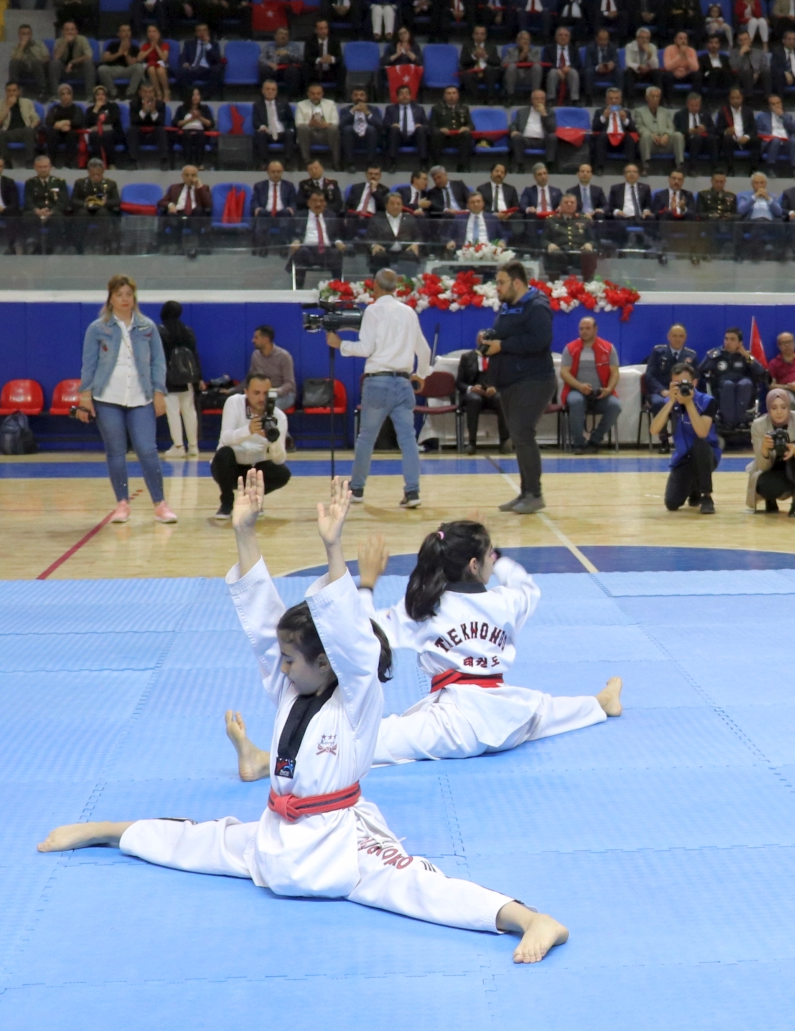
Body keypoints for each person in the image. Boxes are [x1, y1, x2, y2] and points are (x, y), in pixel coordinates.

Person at [38, 477, 570, 965]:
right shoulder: (294, 685)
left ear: (326, 661)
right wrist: (245, 533)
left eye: (292, 659)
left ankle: (531, 918)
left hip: (342, 845)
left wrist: (334, 551)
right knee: (200, 841)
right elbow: (263, 617)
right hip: (279, 836)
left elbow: (351, 638)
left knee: (422, 891)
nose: (281, 667)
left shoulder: (356, 698)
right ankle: (108, 830)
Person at [224, 519, 617, 769]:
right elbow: (528, 587)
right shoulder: (508, 601)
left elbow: (364, 635)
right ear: (478, 565)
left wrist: (367, 583)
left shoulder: (425, 608)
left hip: (453, 725)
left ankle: (269, 759)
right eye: (486, 558)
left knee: (370, 740)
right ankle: (601, 703)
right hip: (508, 715)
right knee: (548, 711)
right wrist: (500, 559)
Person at [75, 275, 175, 525]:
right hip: (107, 398)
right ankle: (122, 503)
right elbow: (89, 365)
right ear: (110, 298)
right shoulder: (98, 329)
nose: (125, 299)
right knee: (116, 451)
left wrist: (159, 393)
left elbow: (158, 363)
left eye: (129, 294)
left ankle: (160, 504)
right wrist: (85, 397)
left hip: (141, 398)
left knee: (147, 449)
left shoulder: (147, 327)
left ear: (135, 297)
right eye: (119, 294)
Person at [326, 269, 428, 509]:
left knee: (366, 438)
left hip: (378, 381)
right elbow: (424, 351)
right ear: (395, 287)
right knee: (408, 440)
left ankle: (358, 488)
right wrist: (421, 374)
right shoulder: (409, 312)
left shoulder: (373, 310)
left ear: (375, 286)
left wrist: (340, 344)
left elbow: (365, 348)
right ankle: (412, 491)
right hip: (403, 383)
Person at [483, 261, 556, 513]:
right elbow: (504, 333)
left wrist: (502, 346)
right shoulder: (508, 306)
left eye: (501, 283)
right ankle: (525, 492)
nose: (497, 288)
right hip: (511, 381)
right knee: (518, 435)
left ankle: (535, 494)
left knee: (523, 433)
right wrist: (489, 336)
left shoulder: (537, 306)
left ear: (516, 282)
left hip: (534, 380)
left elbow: (540, 340)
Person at [210, 374, 290, 517]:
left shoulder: (279, 417)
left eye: (265, 393)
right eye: (256, 393)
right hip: (229, 469)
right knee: (223, 454)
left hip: (254, 470)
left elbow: (279, 460)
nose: (261, 398)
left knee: (283, 473)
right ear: (246, 392)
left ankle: (253, 498)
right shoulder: (233, 403)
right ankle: (227, 503)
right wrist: (248, 430)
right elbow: (225, 438)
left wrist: (274, 441)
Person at [650, 361, 720, 514]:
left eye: (685, 383)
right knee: (672, 504)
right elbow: (654, 429)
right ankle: (693, 487)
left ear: (694, 383)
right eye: (677, 383)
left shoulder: (708, 402)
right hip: (683, 458)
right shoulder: (669, 401)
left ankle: (706, 496)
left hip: (707, 455)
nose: (682, 387)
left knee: (699, 443)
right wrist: (671, 401)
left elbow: (702, 432)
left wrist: (689, 404)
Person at [744, 387, 795, 516]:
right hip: (770, 469)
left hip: (794, 468)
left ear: (789, 407)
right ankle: (770, 500)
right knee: (765, 486)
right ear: (768, 408)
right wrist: (764, 450)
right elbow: (762, 466)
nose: (779, 412)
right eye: (774, 408)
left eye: (783, 407)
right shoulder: (758, 425)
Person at [559, 316, 621, 454]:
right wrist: (580, 386)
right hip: (576, 391)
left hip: (601, 393)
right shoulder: (570, 348)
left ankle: (595, 440)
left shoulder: (608, 348)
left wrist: (609, 389)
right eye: (581, 329)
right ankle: (578, 443)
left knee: (615, 406)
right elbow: (564, 373)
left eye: (588, 328)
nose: (584, 332)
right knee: (575, 401)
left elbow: (615, 373)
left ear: (595, 329)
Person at [641, 325, 698, 451]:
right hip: (660, 391)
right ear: (668, 337)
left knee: (688, 403)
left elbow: (696, 378)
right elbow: (649, 376)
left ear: (685, 338)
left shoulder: (691, 356)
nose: (678, 339)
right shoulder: (658, 352)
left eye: (681, 336)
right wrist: (663, 391)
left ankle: (682, 439)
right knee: (658, 402)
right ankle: (664, 439)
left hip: (682, 392)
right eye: (675, 336)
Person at [157, 301, 202, 458]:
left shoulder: (161, 331)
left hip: (169, 378)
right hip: (188, 378)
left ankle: (178, 446)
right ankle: (194, 446)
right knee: (190, 411)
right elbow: (195, 355)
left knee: (173, 412)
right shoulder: (187, 331)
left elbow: (158, 358)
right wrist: (198, 378)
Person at [248, 326, 297, 412]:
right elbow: (250, 378)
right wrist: (231, 391)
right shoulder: (255, 355)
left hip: (283, 395)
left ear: (266, 339)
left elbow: (290, 384)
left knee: (267, 407)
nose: (253, 340)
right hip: (262, 394)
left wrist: (273, 392)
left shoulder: (284, 356)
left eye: (256, 337)